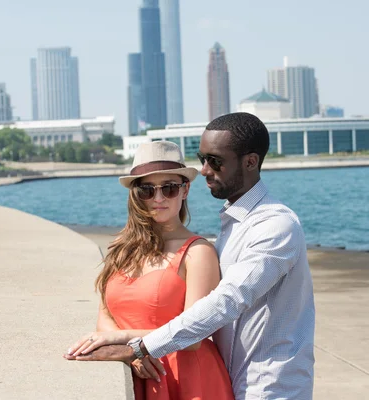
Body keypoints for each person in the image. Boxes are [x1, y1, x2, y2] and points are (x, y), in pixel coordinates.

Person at [66, 112, 316, 399]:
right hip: (233, 380)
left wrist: (137, 345)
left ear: (250, 162)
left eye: (215, 161)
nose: (205, 170)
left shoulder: (275, 225)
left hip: (270, 387)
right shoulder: (231, 226)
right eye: (203, 159)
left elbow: (227, 301)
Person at [65, 141, 234, 400]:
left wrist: (133, 347)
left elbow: (194, 336)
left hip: (188, 380)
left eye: (169, 188)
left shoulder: (198, 253)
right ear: (135, 194)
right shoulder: (122, 250)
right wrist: (132, 354)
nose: (158, 198)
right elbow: (105, 316)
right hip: (140, 373)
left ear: (185, 190)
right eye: (146, 189)